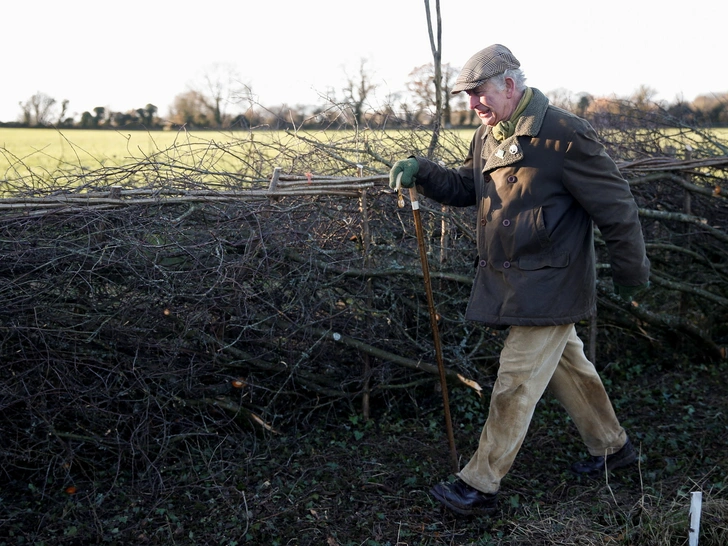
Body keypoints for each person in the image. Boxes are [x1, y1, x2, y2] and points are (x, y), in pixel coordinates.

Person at [389, 44, 650, 517]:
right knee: (571, 367)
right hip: (515, 282)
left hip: (553, 283)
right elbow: (468, 188)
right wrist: (423, 172)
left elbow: (617, 208)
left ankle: (479, 484)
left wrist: (632, 273)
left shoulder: (566, 133)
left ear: (510, 85)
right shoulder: (489, 135)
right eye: (467, 96)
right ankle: (614, 449)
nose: (473, 105)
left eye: (479, 93)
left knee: (515, 382)